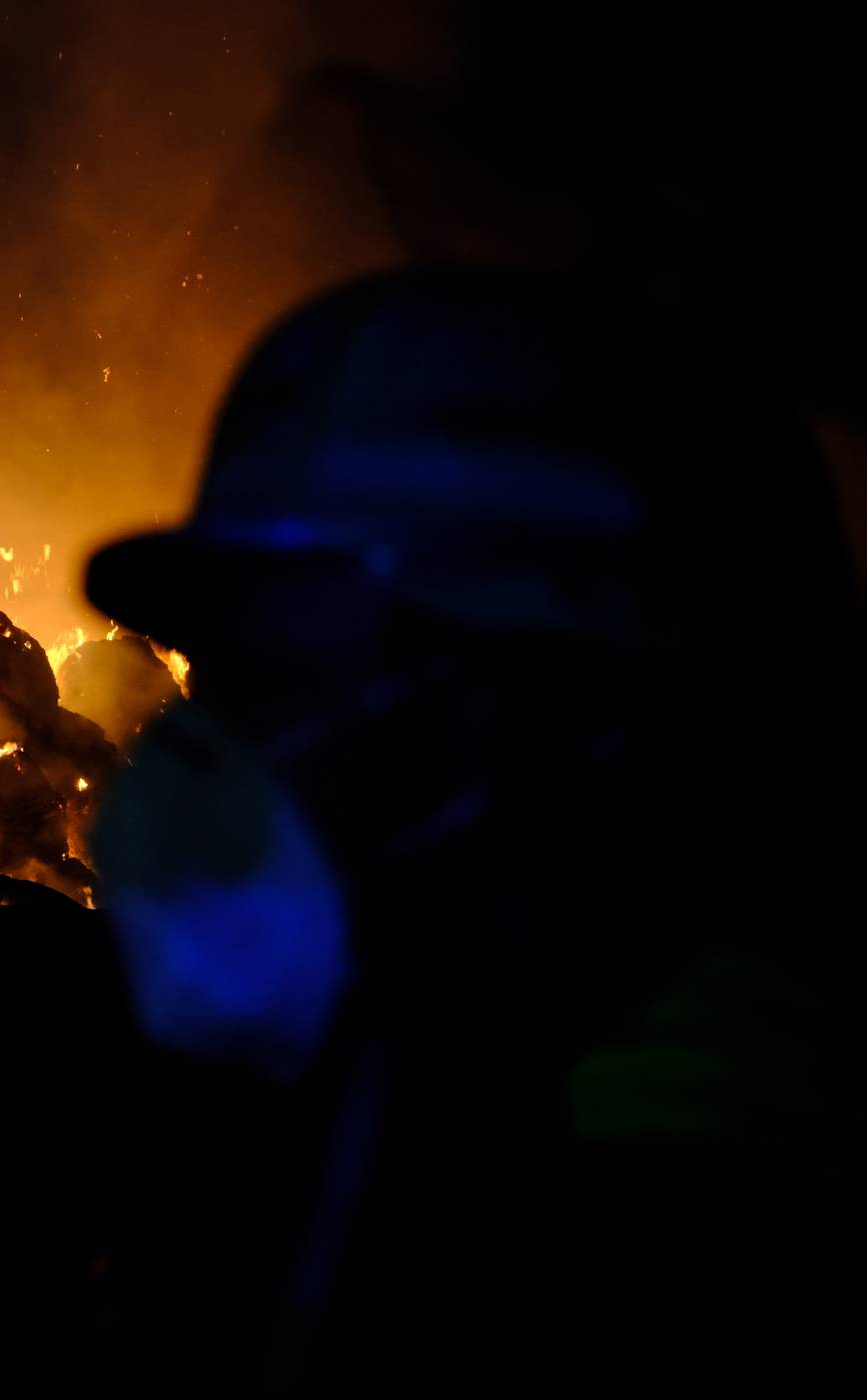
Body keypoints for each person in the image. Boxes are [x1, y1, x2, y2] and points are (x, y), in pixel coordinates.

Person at [85, 266, 858, 1386]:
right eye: (231, 670)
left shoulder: (713, 1222)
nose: (220, 749)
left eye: (307, 666)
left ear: (575, 685)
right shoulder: (441, 1085)